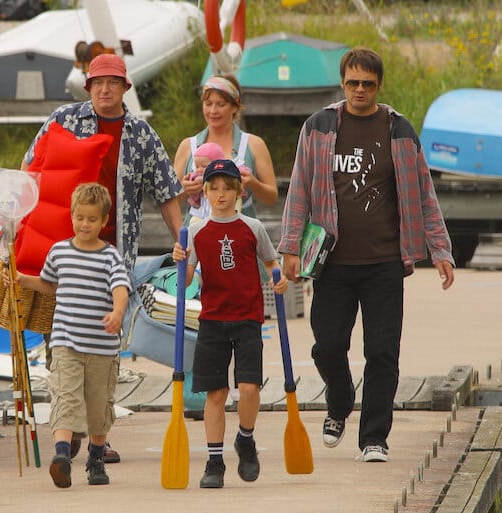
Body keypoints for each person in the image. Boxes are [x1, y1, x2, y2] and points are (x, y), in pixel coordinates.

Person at [277, 47, 456, 463]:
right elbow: (299, 189)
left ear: (379, 86)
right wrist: (289, 246)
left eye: (368, 84)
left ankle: (374, 436)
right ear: (342, 83)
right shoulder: (318, 126)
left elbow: (424, 195)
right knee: (327, 347)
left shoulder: (399, 130)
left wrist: (441, 249)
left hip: (384, 264)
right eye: (353, 82)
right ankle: (339, 403)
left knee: (382, 352)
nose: (360, 90)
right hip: (331, 262)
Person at [21, 52, 183, 463]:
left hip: (115, 261)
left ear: (125, 88)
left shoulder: (142, 134)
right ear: (88, 86)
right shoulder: (63, 119)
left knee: (104, 355)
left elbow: (166, 192)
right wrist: (18, 230)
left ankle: (95, 437)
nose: (105, 90)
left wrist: (184, 242)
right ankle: (68, 428)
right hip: (65, 256)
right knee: (61, 349)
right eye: (98, 83)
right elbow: (29, 171)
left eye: (113, 83)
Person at [171, 159, 288, 489]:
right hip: (212, 319)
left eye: (227, 188)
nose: (220, 194)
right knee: (216, 393)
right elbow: (188, 280)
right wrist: (180, 261)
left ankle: (246, 438)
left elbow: (270, 263)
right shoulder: (195, 231)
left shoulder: (252, 227)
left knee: (249, 388)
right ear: (204, 192)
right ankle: (214, 461)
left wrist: (278, 280)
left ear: (239, 191)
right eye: (214, 188)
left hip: (248, 317)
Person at [15, 183, 132, 488]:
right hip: (65, 341)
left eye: (92, 219)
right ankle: (62, 455)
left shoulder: (110, 257)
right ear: (72, 216)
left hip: (101, 347)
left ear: (104, 221)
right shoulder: (59, 251)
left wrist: (117, 313)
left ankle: (95, 459)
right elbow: (49, 284)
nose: (84, 224)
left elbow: (121, 288)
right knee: (65, 397)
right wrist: (20, 280)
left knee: (98, 405)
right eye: (79, 217)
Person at [172, 74, 279, 221]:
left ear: (235, 107)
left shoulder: (254, 144)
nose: (213, 111)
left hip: (240, 235)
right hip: (196, 236)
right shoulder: (187, 146)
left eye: (220, 104)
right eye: (208, 104)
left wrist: (253, 183)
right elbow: (170, 201)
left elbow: (272, 198)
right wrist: (185, 190)